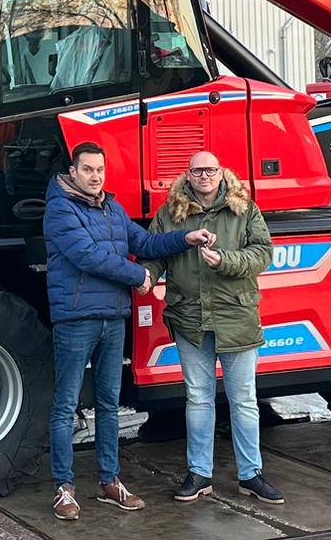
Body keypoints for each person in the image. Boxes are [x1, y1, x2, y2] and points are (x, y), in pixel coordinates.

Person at [44, 142, 213, 520]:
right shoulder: (59, 209)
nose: (95, 176)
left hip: (113, 317)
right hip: (76, 318)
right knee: (66, 406)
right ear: (73, 172)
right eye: (87, 170)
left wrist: (184, 237)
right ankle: (64, 489)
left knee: (108, 405)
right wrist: (139, 276)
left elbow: (146, 242)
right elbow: (87, 255)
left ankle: (109, 481)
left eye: (99, 170)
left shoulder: (112, 209)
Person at [143, 151, 283, 505]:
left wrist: (226, 261)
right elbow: (154, 251)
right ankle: (199, 475)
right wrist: (146, 275)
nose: (204, 176)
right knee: (199, 400)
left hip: (236, 318)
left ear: (222, 173)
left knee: (244, 402)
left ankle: (251, 475)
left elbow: (263, 253)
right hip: (190, 319)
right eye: (197, 170)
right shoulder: (170, 214)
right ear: (187, 176)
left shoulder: (244, 209)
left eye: (210, 170)